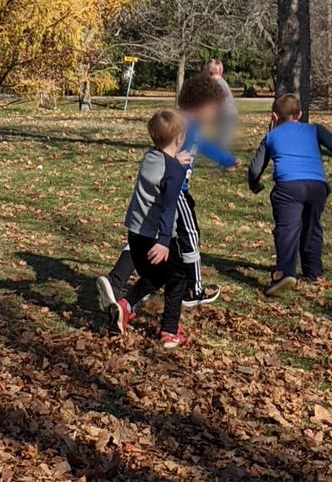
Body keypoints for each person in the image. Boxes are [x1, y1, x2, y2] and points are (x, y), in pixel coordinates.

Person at [96, 74, 238, 312]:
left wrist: (225, 159)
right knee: (187, 238)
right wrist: (173, 159)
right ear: (202, 105)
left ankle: (117, 281)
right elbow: (163, 149)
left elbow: (201, 146)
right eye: (215, 109)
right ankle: (193, 289)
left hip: (167, 191)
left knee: (148, 235)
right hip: (174, 192)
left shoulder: (191, 126)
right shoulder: (183, 125)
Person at [247, 93, 332, 296]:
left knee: (287, 230)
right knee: (312, 228)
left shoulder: (271, 136)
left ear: (275, 117)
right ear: (299, 114)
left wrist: (254, 184)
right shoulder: (314, 130)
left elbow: (255, 169)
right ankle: (314, 273)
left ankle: (285, 272)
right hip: (317, 186)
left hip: (288, 188)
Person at [107, 109, 193, 348]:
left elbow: (164, 166)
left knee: (155, 276)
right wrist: (165, 240)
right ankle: (169, 330)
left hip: (135, 233)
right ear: (179, 139)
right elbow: (168, 208)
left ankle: (125, 306)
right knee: (177, 279)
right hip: (158, 237)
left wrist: (176, 162)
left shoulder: (150, 157)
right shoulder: (175, 172)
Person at [204, 59, 237, 151]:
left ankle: (227, 163)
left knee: (222, 144)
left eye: (205, 72)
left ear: (210, 73)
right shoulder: (219, 82)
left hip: (227, 115)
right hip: (224, 115)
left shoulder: (219, 84)